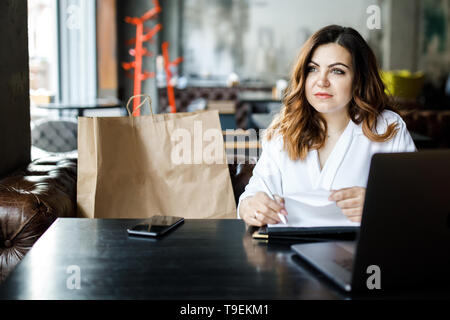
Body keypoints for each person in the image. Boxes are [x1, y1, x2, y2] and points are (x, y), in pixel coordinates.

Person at [238, 25, 417, 227]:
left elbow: (418, 204)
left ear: (359, 79)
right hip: (287, 252)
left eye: (337, 71)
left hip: (359, 255)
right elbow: (255, 193)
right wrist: (249, 206)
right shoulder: (284, 131)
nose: (321, 81)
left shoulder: (387, 128)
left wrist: (380, 204)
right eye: (312, 69)